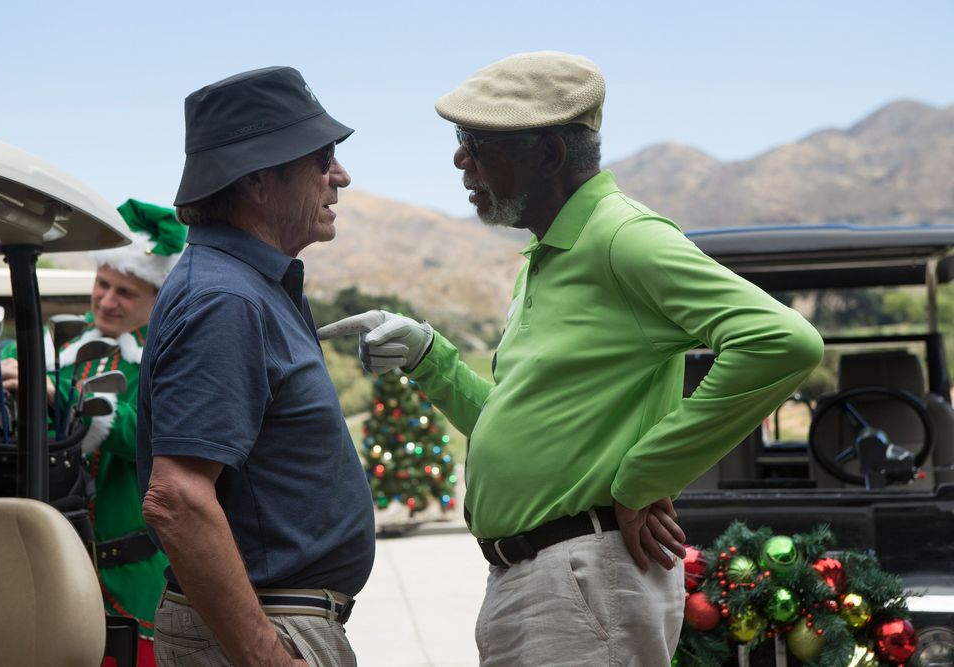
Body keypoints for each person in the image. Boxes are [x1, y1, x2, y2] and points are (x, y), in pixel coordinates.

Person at [317, 51, 825, 665]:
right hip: (548, 580)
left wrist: (644, 478)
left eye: (475, 143)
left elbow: (782, 342)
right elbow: (519, 423)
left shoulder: (621, 236)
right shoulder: (548, 255)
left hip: (584, 577)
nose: (459, 160)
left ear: (550, 154)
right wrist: (430, 357)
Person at [136, 66, 375, 667]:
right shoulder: (226, 298)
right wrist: (267, 656)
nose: (340, 176)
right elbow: (176, 497)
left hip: (276, 620)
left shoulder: (244, 286)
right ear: (257, 180)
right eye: (322, 159)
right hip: (268, 630)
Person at [0, 198, 185, 666]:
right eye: (102, 284)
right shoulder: (54, 344)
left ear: (157, 298)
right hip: (44, 567)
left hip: (129, 581)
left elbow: (145, 436)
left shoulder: (164, 359)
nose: (106, 300)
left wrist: (55, 394)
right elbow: (4, 375)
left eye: (126, 292)